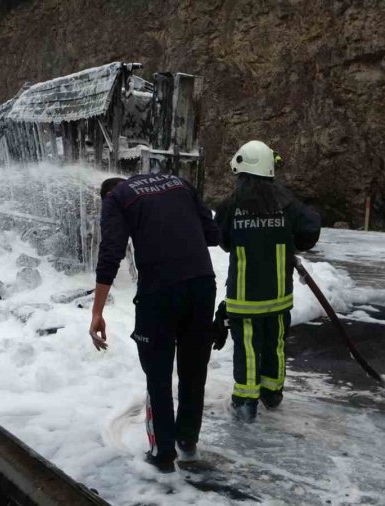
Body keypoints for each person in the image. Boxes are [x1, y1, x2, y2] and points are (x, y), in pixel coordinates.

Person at [89, 173, 219, 473]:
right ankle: (187, 442)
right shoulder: (180, 183)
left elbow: (111, 253)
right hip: (202, 285)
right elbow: (213, 235)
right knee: (193, 368)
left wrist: (97, 312)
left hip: (159, 292)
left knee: (158, 374)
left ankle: (162, 453)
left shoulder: (116, 198)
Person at [214, 140, 321, 422]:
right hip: (278, 299)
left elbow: (222, 240)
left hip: (244, 299)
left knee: (247, 348)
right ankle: (272, 394)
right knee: (275, 344)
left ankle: (246, 403)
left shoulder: (230, 206)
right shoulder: (286, 202)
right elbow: (310, 230)